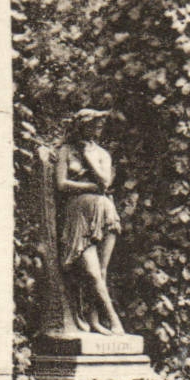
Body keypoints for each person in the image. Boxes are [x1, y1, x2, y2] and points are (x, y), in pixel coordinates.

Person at [55, 122, 124, 335]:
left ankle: (94, 320)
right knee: (91, 273)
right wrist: (88, 186)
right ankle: (114, 320)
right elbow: (61, 184)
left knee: (101, 271)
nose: (97, 130)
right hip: (79, 214)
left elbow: (105, 182)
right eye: (93, 126)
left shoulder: (101, 154)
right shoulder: (66, 151)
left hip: (105, 212)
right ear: (81, 127)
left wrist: (88, 157)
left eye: (100, 126)